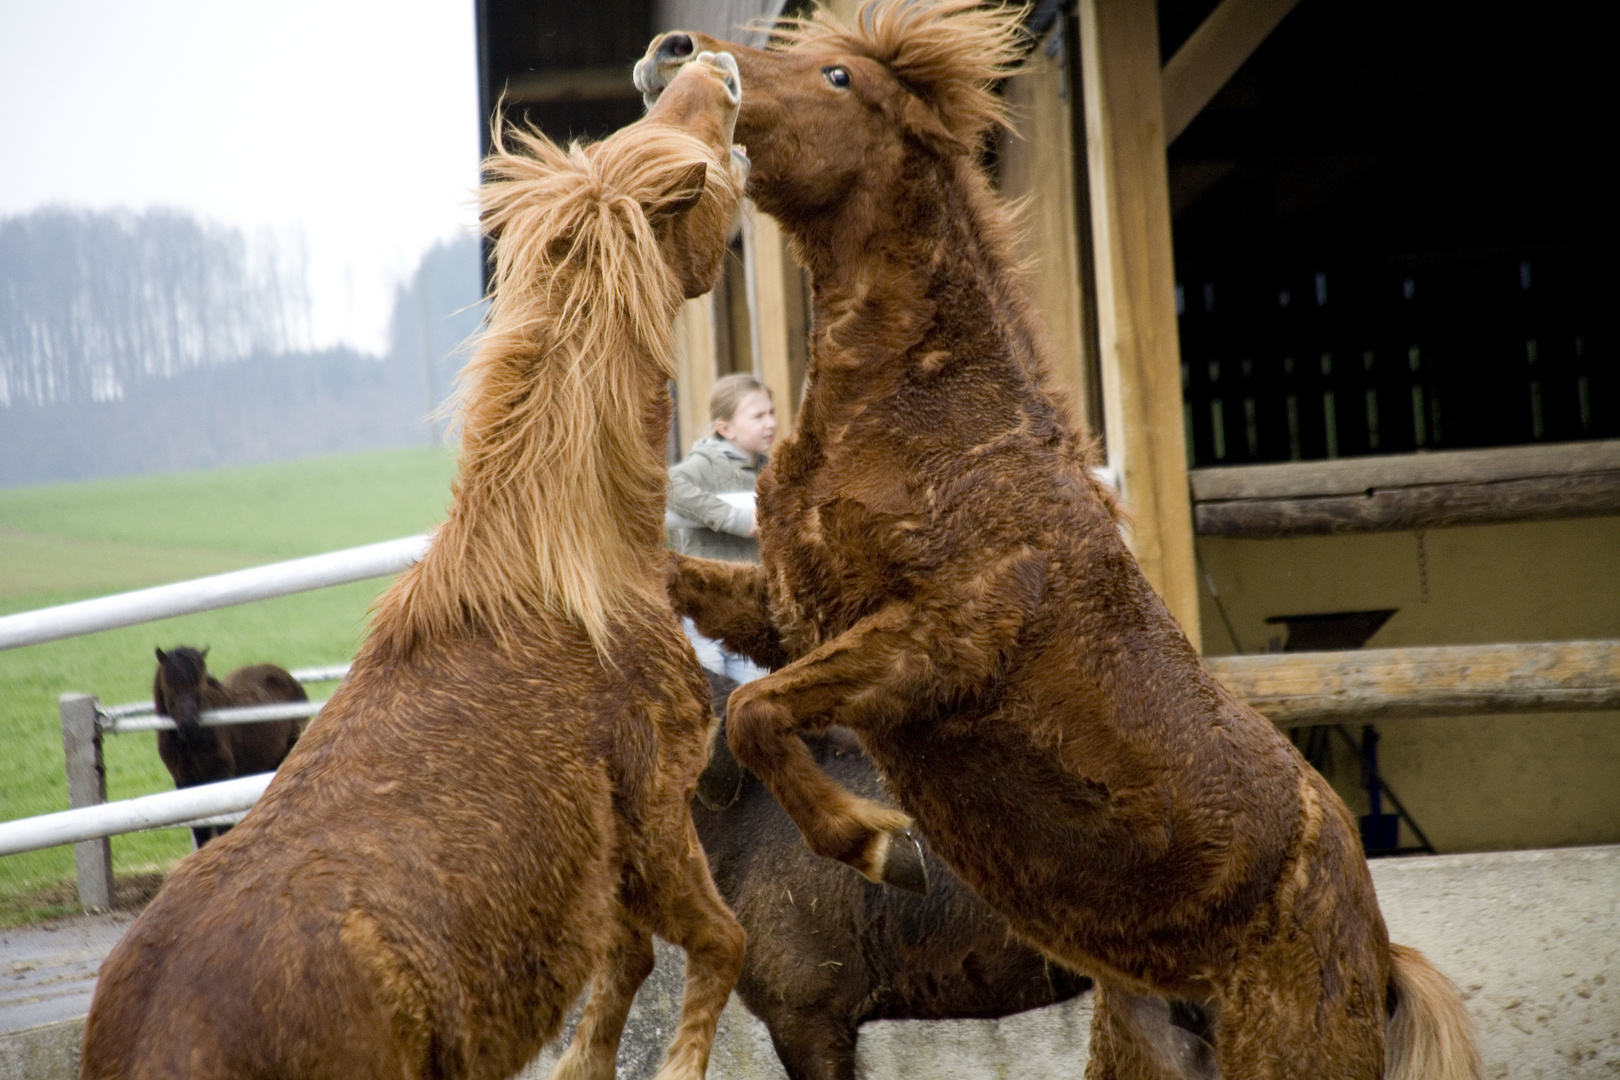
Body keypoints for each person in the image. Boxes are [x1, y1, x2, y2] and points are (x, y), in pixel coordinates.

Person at [668, 373, 777, 681]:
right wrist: (736, 519)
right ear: (724, 428)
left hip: (749, 612)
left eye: (771, 412)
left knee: (752, 689)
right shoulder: (707, 463)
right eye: (758, 415)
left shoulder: (770, 469)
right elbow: (671, 485)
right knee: (708, 688)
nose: (769, 422)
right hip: (704, 607)